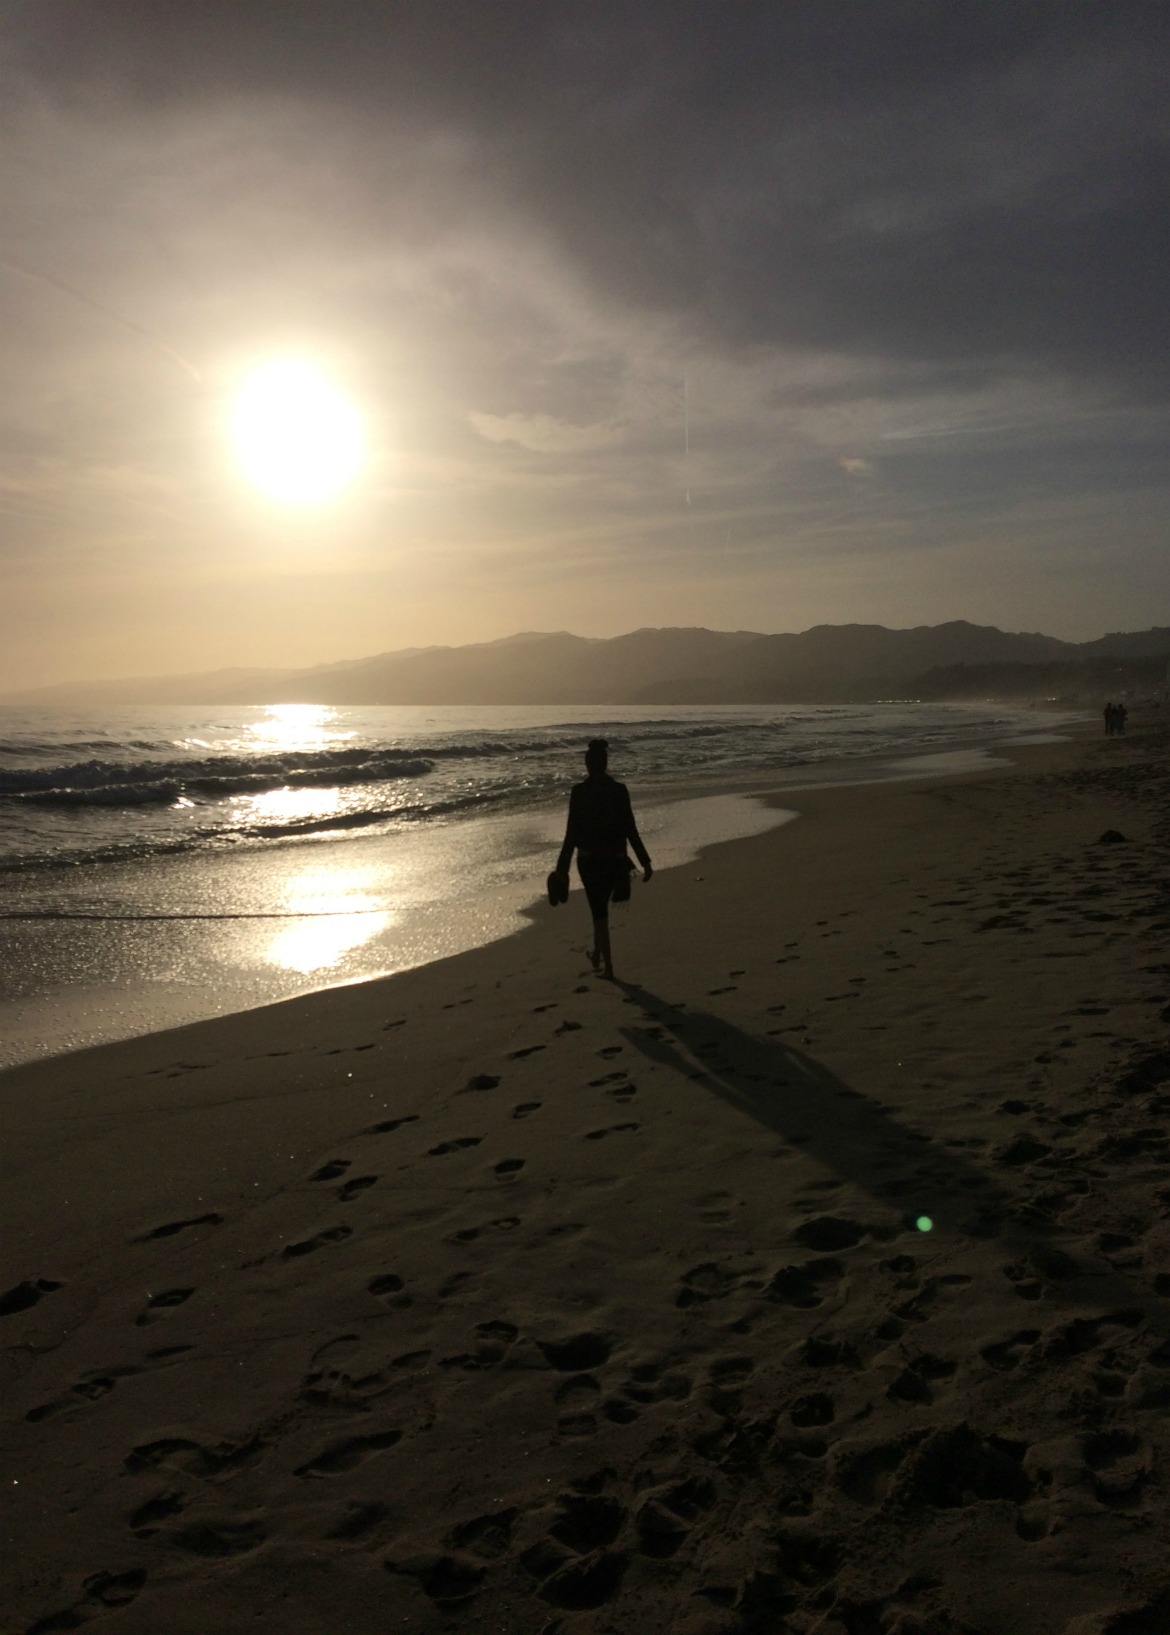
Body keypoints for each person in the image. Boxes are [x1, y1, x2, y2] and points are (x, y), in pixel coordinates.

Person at [552, 738, 652, 980]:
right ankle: (597, 954)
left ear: (587, 764)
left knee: (598, 913)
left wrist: (562, 869)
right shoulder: (619, 790)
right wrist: (645, 861)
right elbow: (630, 829)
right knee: (600, 911)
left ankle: (609, 968)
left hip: (588, 862)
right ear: (606, 763)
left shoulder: (579, 792)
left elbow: (571, 834)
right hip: (616, 861)